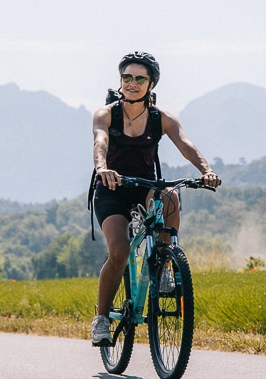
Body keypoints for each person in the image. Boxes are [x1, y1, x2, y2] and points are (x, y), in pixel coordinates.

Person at [90, 51, 220, 346]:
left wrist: (206, 170)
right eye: (127, 78)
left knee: (170, 197)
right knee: (120, 251)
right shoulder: (106, 114)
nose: (132, 83)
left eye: (139, 78)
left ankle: (163, 264)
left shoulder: (161, 118)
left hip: (145, 184)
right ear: (120, 81)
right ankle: (101, 319)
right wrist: (103, 168)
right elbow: (100, 143)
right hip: (111, 188)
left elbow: (186, 145)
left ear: (151, 84)